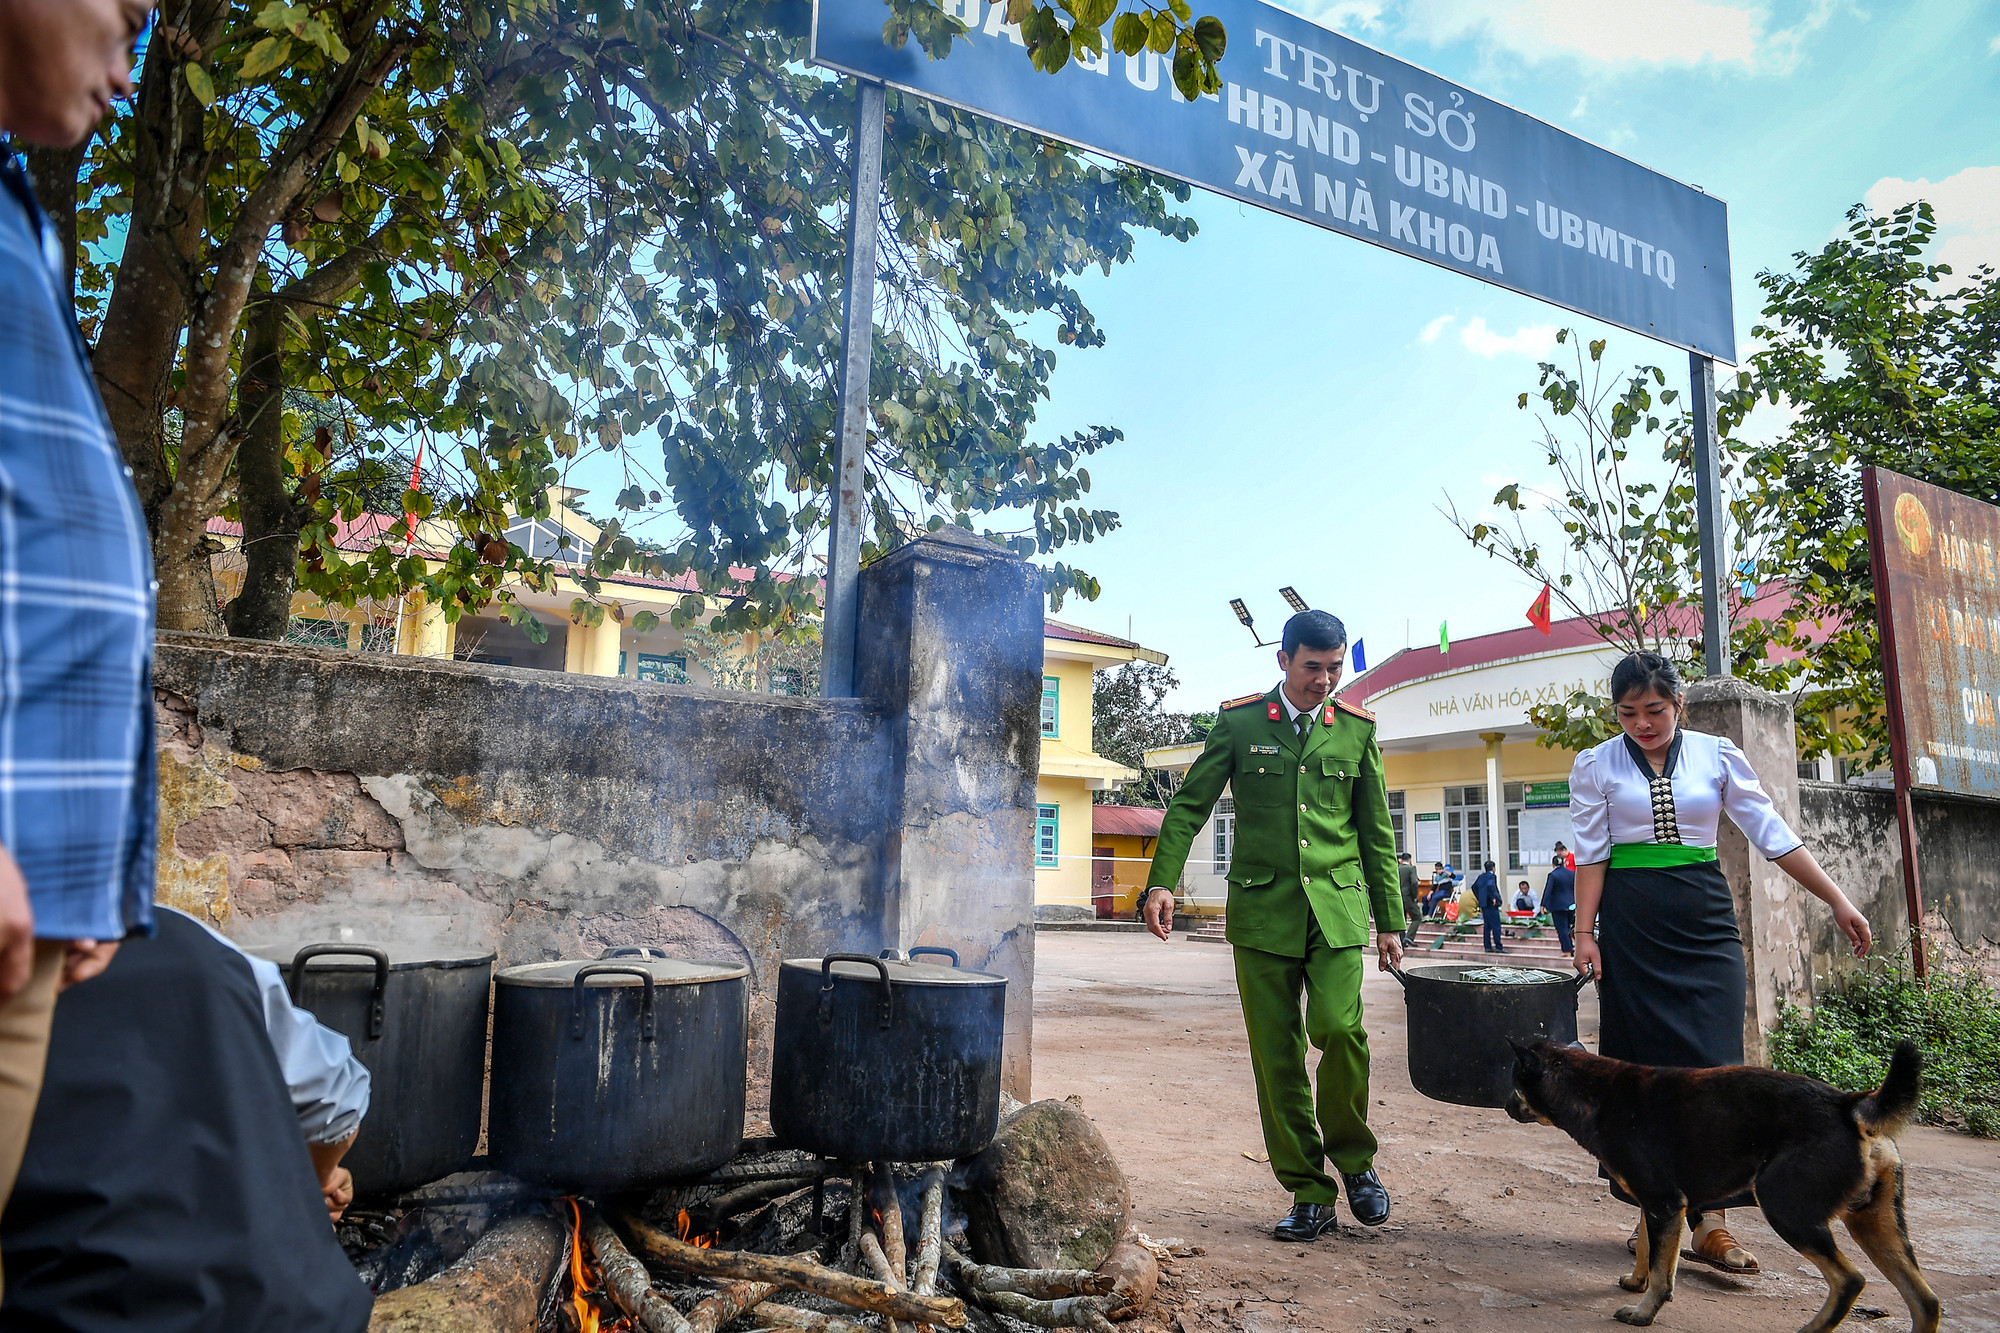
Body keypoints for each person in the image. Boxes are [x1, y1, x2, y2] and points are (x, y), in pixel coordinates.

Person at [0, 0, 160, 1254]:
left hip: (37, 895)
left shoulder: (17, 217)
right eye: (127, 10)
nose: (132, 57)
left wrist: (95, 868)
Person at [1570, 652, 1872, 1275]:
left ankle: (1714, 1225)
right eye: (1628, 713)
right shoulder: (1594, 764)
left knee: (1715, 1071)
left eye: (1654, 710)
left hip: (1704, 924)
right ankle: (1655, 1218)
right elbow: (1592, 854)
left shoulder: (1718, 754)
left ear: (1678, 704)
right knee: (1644, 1079)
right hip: (1632, 927)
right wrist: (1584, 933)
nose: (1642, 724)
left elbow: (1770, 832)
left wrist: (1837, 899)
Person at [1141, 610, 1403, 1242]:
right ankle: (1309, 1189)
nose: (1325, 680)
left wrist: (1391, 921)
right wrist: (1161, 881)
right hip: (1262, 914)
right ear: (1283, 662)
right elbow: (1190, 805)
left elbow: (1376, 832)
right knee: (1276, 1054)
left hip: (1337, 911)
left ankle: (1356, 1163)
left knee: (1339, 1031)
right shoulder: (1240, 724)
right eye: (1313, 667)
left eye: (1335, 668)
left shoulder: (1357, 731)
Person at [1, 907, 374, 1330]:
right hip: (297, 1314)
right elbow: (336, 1094)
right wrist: (312, 1180)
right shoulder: (191, 940)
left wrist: (311, 1182)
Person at [1542, 852, 1577, 955]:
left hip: (1558, 906)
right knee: (1572, 928)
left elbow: (1548, 890)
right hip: (1572, 905)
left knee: (1562, 929)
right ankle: (1574, 946)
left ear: (1553, 864)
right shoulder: (1572, 874)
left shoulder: (1553, 875)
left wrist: (1543, 904)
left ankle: (1567, 950)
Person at [1473, 860, 1504, 952]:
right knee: (1496, 925)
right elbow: (1491, 886)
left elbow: (1474, 887)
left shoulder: (1481, 876)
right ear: (1493, 868)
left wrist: (1480, 898)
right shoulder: (1491, 876)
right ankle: (1498, 946)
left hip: (1484, 904)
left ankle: (1487, 946)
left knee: (1487, 926)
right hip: (1491, 903)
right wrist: (1493, 897)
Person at [1397, 852, 1421, 945]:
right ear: (1410, 860)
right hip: (1408, 897)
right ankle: (1409, 937)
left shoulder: (1397, 869)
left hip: (1399, 897)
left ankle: (1401, 940)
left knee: (1402, 919)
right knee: (1417, 917)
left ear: (1401, 860)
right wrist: (1415, 896)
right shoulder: (1411, 868)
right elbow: (1414, 882)